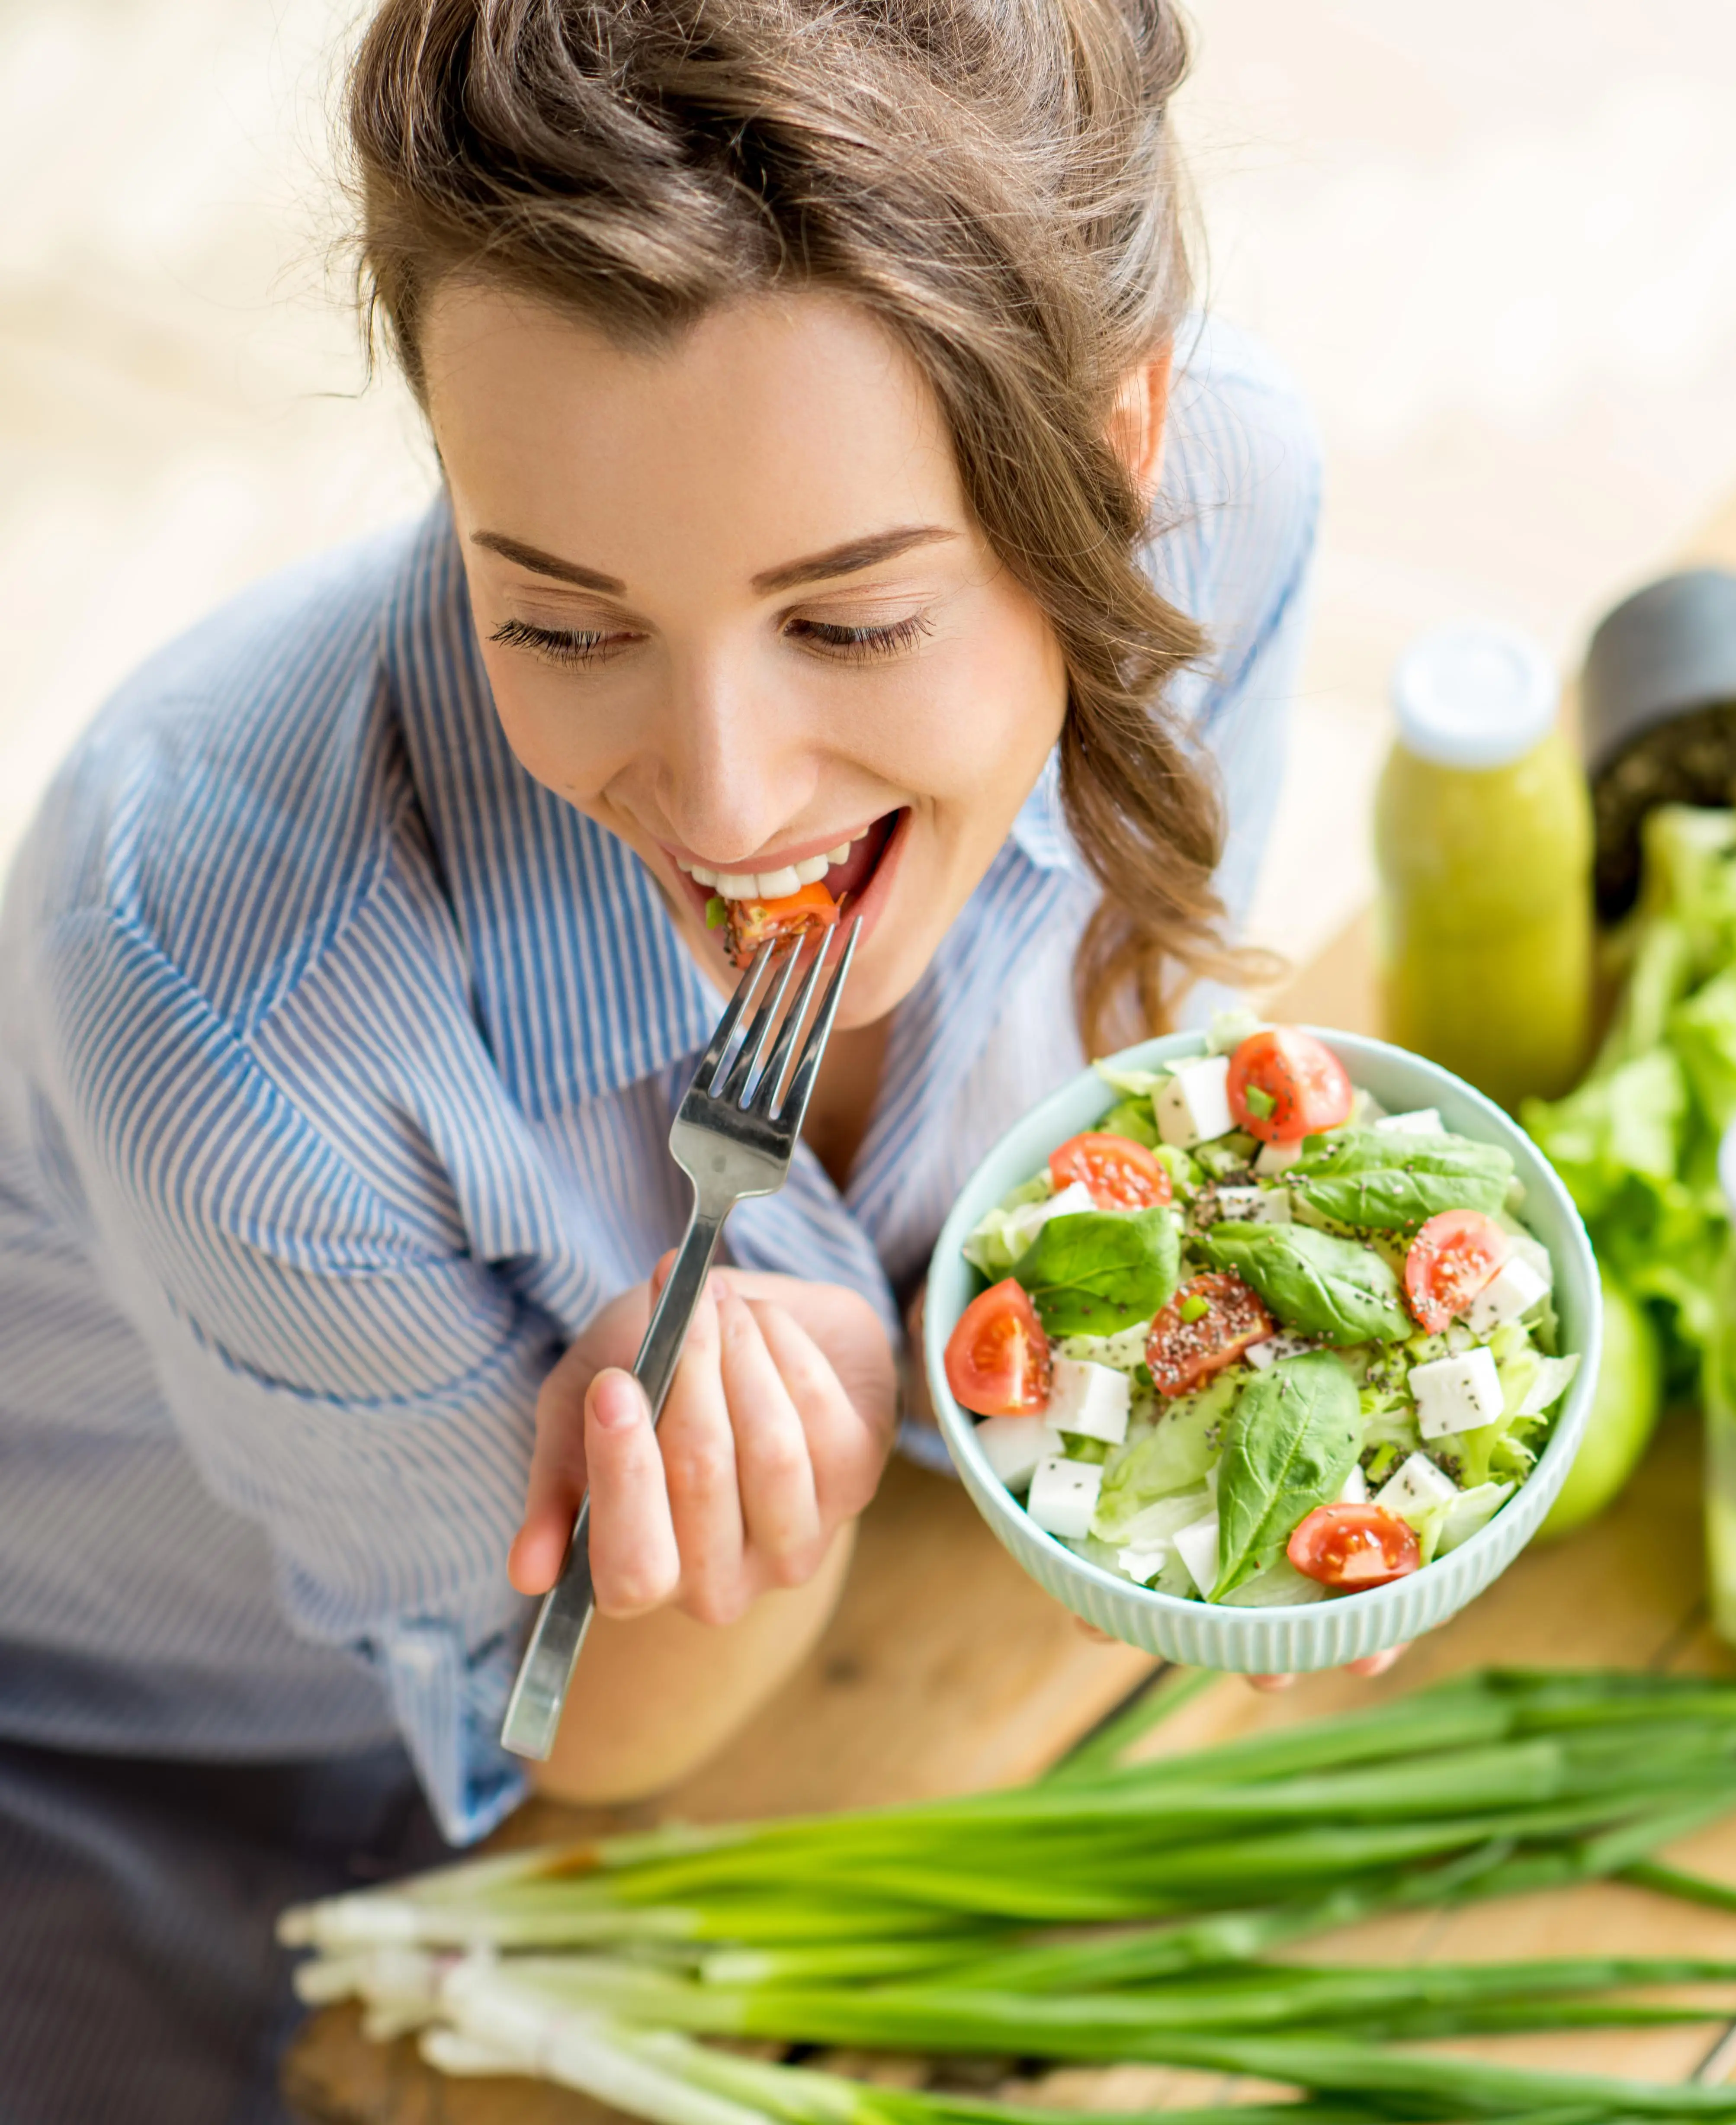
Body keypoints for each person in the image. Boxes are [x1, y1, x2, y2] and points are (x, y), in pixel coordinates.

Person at [0, 0, 1324, 2115]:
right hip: (154, 1790)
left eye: (853, 622)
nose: (719, 798)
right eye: (560, 617)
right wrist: (729, 1500)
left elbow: (1108, 1105)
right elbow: (587, 1726)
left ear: (1123, 449)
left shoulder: (1227, 508)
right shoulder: (208, 985)